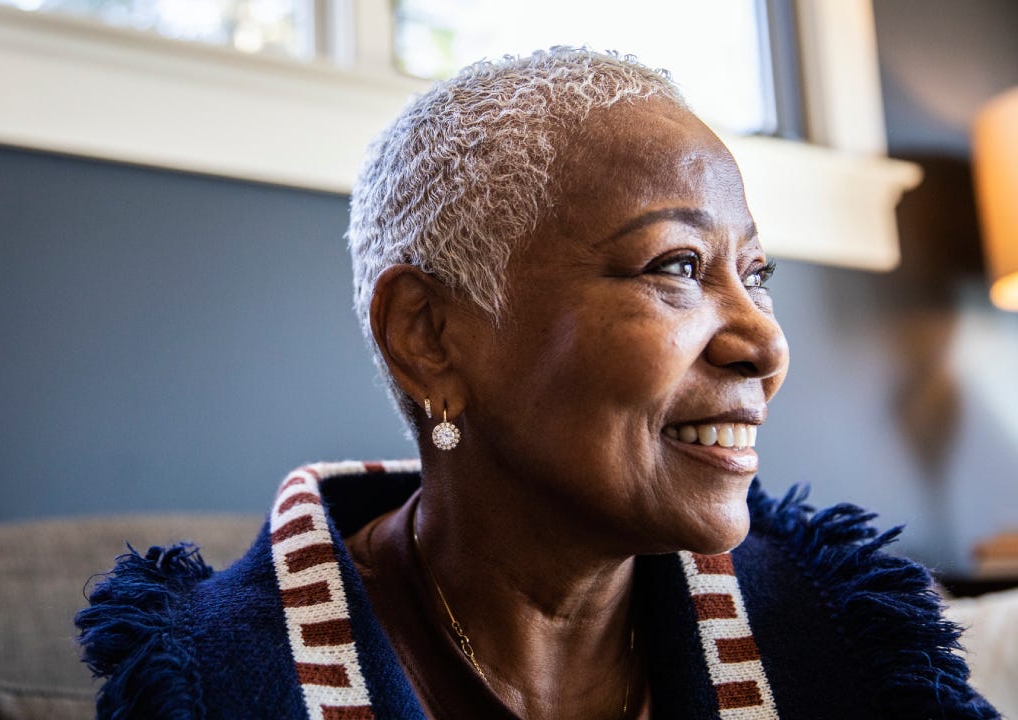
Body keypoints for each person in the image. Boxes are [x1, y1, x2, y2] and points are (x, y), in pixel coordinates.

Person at [76, 47, 997, 719]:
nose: (764, 341)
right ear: (429, 336)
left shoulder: (844, 641)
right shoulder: (217, 683)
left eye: (754, 274)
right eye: (676, 265)